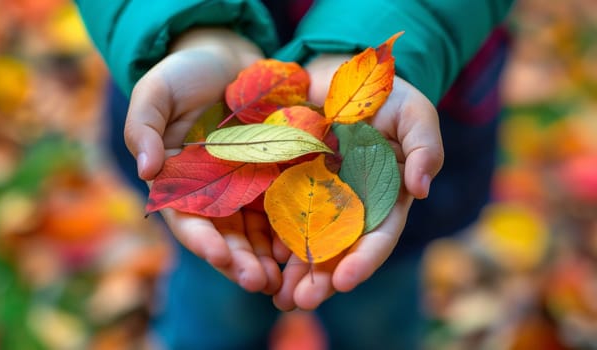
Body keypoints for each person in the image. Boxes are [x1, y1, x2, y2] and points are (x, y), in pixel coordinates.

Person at [75, 0, 515, 348]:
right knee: (213, 302)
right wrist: (188, 29)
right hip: (201, 94)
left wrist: (370, 42)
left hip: (428, 104)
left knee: (377, 313)